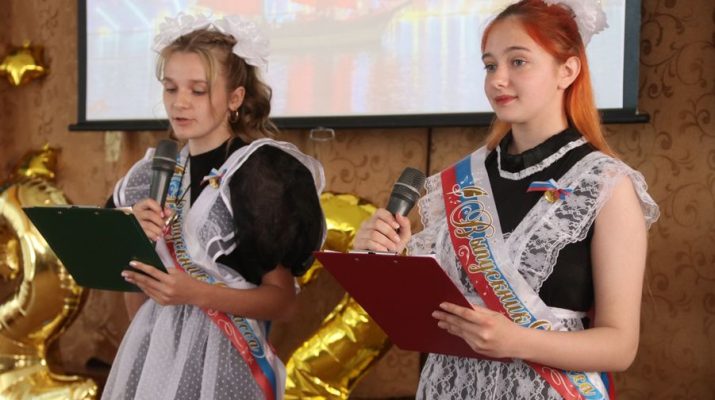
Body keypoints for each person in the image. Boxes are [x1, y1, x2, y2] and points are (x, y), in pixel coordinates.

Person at [354, 1, 659, 399]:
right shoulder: (459, 181)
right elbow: (435, 313)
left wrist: (518, 341)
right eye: (490, 65)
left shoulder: (606, 184)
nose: (498, 79)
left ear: (567, 71)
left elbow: (620, 346)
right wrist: (386, 259)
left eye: (518, 62)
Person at [101, 14, 325, 400]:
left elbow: (284, 302)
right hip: (153, 361)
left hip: (229, 365)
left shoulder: (259, 172)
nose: (179, 102)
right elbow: (133, 289)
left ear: (235, 98)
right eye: (170, 88)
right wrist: (132, 241)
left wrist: (194, 293)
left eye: (198, 90)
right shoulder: (152, 173)